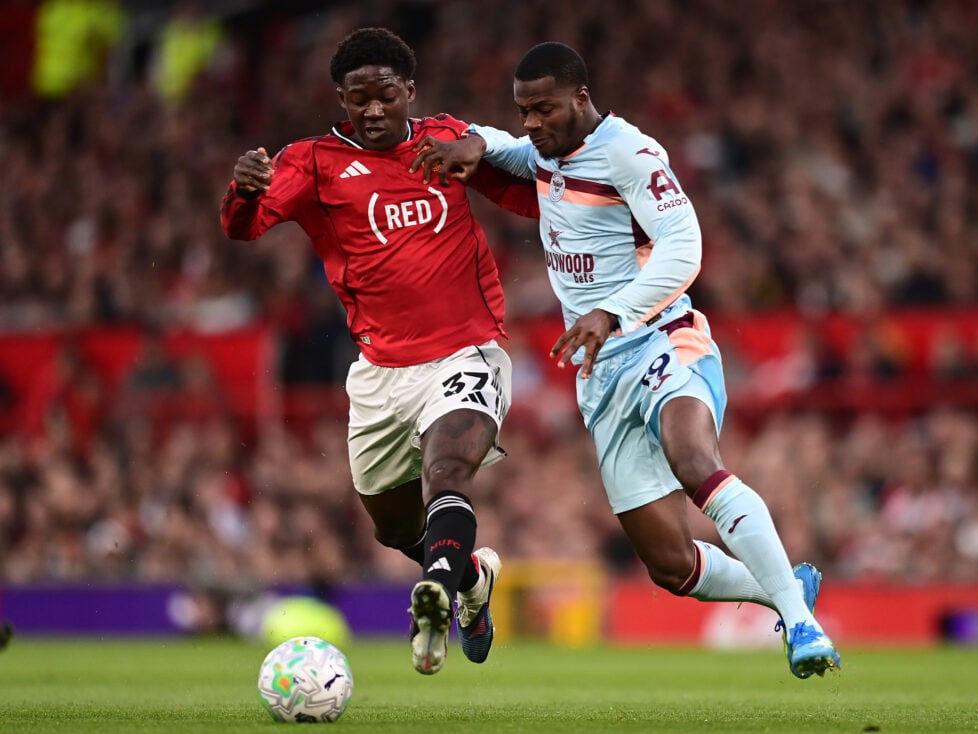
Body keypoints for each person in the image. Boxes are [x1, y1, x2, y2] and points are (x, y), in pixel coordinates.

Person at [410, 42, 841, 678]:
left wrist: (612, 310)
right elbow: (510, 147)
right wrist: (476, 140)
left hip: (664, 338)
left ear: (581, 99)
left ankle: (803, 628)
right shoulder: (546, 150)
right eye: (524, 111)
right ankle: (781, 588)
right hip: (601, 373)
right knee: (669, 564)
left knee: (694, 460)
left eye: (545, 109)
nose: (533, 123)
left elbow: (684, 245)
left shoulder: (631, 154)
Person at [220, 27, 538, 675]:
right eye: (356, 98)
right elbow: (245, 226)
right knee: (394, 528)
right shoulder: (312, 162)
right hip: (380, 372)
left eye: (384, 95)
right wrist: (244, 188)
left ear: (409, 92)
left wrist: (492, 154)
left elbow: (526, 196)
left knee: (447, 470)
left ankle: (437, 597)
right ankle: (471, 582)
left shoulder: (444, 138)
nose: (370, 110)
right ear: (341, 99)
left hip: (467, 352)